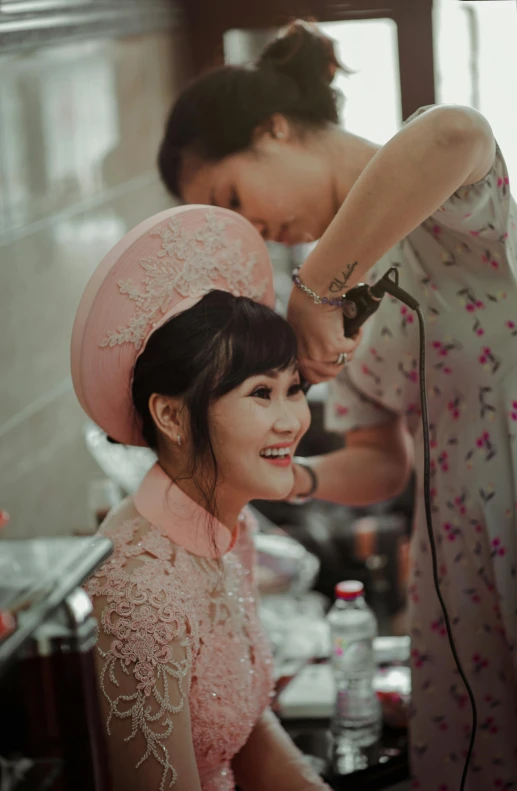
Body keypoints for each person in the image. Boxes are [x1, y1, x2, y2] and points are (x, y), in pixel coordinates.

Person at [157, 20, 517, 788]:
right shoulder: (336, 308)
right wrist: (290, 480)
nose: (254, 229)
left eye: (233, 196)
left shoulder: (429, 185)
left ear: (275, 129)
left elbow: (458, 131)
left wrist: (314, 283)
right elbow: (383, 460)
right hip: (458, 561)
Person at [70, 205, 330, 791]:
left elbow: (240, 725)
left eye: (294, 389)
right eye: (261, 393)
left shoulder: (229, 526)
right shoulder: (140, 588)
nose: (291, 419)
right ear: (171, 415)